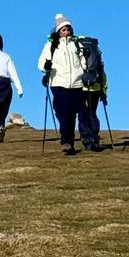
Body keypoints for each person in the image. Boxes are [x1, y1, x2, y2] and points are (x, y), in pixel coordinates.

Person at [38, 13, 95, 154]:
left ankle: (79, 141)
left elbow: (82, 62)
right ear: (58, 31)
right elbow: (40, 63)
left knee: (78, 113)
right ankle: (66, 142)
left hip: (76, 83)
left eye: (68, 29)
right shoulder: (50, 45)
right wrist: (46, 66)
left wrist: (86, 64)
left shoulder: (77, 44)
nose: (66, 31)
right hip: (58, 83)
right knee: (64, 114)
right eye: (64, 29)